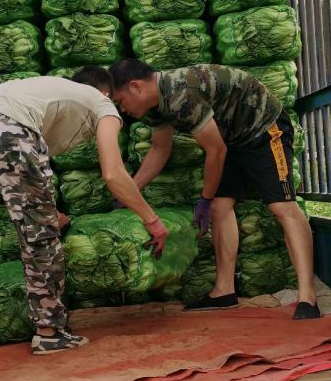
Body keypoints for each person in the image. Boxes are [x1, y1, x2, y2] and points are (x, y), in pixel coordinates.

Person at [0, 67, 169, 359]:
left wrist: (49, 210)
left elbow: (22, 175)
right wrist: (153, 220)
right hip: (9, 128)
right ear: (106, 93)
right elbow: (113, 173)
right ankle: (49, 333)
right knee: (40, 238)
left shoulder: (43, 93)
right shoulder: (101, 103)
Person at [109, 59, 319, 320]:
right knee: (221, 208)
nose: (122, 109)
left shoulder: (180, 95)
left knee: (282, 206)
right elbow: (160, 149)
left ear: (135, 87)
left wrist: (204, 199)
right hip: (230, 138)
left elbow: (215, 151)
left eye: (120, 101)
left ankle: (308, 297)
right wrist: (129, 192)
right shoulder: (154, 106)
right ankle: (224, 291)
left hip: (264, 127)